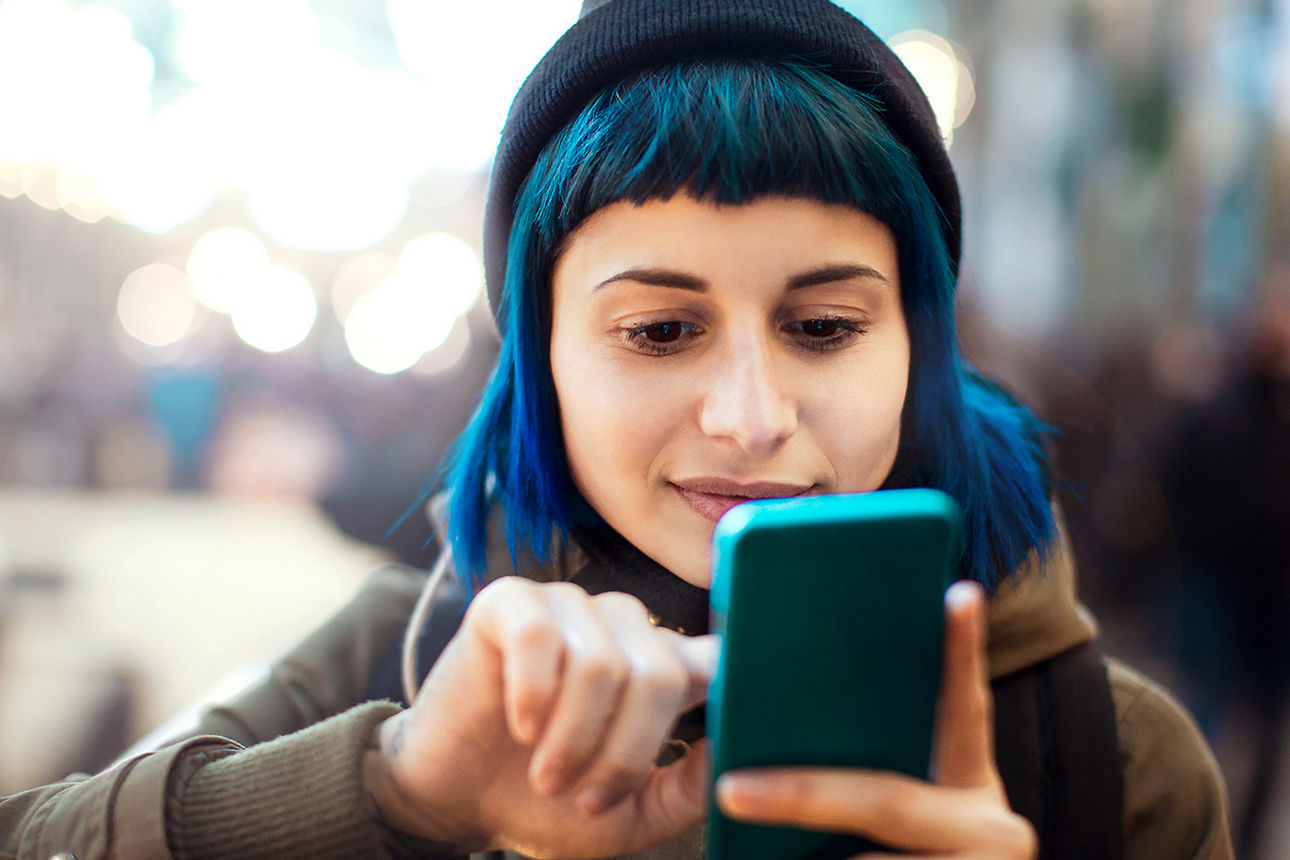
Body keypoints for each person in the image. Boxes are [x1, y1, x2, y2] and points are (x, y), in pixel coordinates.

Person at [1, 1, 1234, 858]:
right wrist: (398, 790)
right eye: (659, 331)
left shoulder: (1112, 753)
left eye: (823, 326)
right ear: (540, 364)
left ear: (919, 347)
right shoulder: (405, 659)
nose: (750, 418)